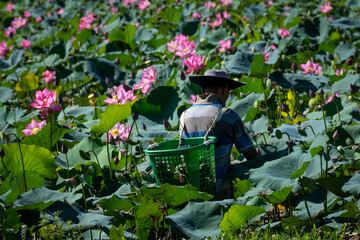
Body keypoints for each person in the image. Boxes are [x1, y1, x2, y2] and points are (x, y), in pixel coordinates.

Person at [179, 69, 259, 200]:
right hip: (220, 194)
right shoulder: (227, 115)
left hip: (191, 193)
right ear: (224, 91)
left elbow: (184, 154)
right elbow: (251, 155)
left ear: (204, 91)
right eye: (228, 92)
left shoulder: (184, 116)